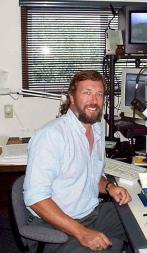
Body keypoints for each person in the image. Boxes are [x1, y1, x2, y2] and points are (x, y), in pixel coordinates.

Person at [23, 70, 132, 253]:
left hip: (90, 213)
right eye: (87, 93)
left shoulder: (96, 130)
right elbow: (36, 198)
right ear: (71, 98)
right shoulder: (51, 136)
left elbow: (92, 176)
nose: (94, 100)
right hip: (53, 225)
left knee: (142, 221)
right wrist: (82, 233)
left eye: (99, 94)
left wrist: (109, 188)